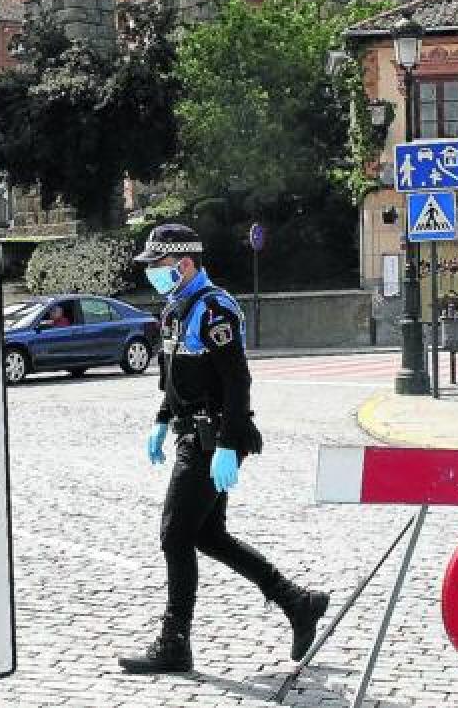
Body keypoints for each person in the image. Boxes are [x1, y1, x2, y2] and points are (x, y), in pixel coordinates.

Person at [118, 223, 329, 675]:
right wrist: (160, 421)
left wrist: (230, 445)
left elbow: (237, 380)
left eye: (157, 266)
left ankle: (175, 642)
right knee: (207, 536)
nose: (151, 274)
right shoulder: (177, 308)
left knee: (175, 535)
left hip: (211, 439)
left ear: (184, 264)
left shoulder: (215, 310)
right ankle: (297, 601)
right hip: (189, 434)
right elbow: (176, 377)